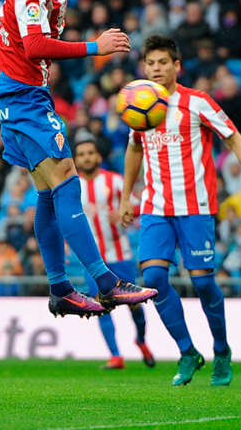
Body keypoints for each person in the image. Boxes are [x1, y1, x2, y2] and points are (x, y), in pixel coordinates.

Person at [0, 0, 156, 319]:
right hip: (21, 94)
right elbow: (34, 45)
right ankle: (106, 282)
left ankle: (60, 288)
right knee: (66, 177)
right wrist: (94, 47)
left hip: (24, 90)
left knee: (48, 191)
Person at [119, 35, 241, 387]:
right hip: (156, 207)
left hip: (196, 207)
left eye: (163, 62)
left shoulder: (198, 102)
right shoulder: (138, 105)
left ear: (176, 66)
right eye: (150, 63)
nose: (156, 69)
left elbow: (233, 136)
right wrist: (126, 196)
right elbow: (134, 150)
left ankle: (221, 350)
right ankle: (187, 351)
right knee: (153, 280)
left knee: (203, 282)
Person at [72, 134, 154, 370]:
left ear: (98, 156)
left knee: (134, 304)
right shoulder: (74, 187)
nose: (87, 158)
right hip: (93, 258)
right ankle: (116, 356)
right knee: (100, 304)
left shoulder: (115, 181)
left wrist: (123, 212)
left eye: (90, 153)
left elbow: (139, 205)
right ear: (76, 160)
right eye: (82, 154)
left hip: (120, 255)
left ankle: (141, 340)